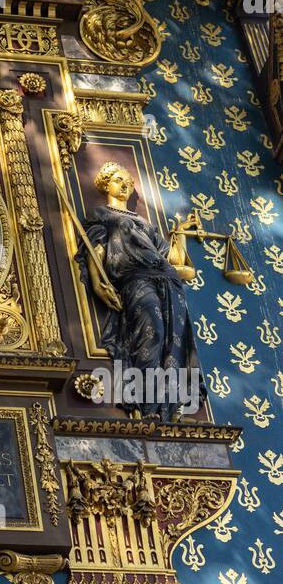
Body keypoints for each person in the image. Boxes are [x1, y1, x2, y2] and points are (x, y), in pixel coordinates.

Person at [76, 161, 206, 422]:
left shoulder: (145, 222)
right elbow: (96, 248)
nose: (124, 185)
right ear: (105, 184)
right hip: (135, 278)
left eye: (128, 182)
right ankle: (148, 406)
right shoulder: (102, 214)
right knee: (152, 332)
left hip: (168, 280)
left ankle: (172, 407)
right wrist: (99, 282)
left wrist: (179, 232)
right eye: (118, 180)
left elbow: (173, 259)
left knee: (174, 340)